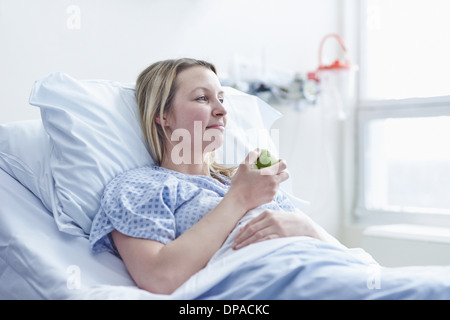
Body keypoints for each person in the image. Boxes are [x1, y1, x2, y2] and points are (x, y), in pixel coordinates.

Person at [89, 58, 330, 295]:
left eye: (222, 99)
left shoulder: (247, 179)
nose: (223, 110)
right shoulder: (139, 187)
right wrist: (239, 198)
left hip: (331, 271)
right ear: (163, 115)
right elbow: (159, 277)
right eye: (203, 98)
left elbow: (336, 251)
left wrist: (306, 226)